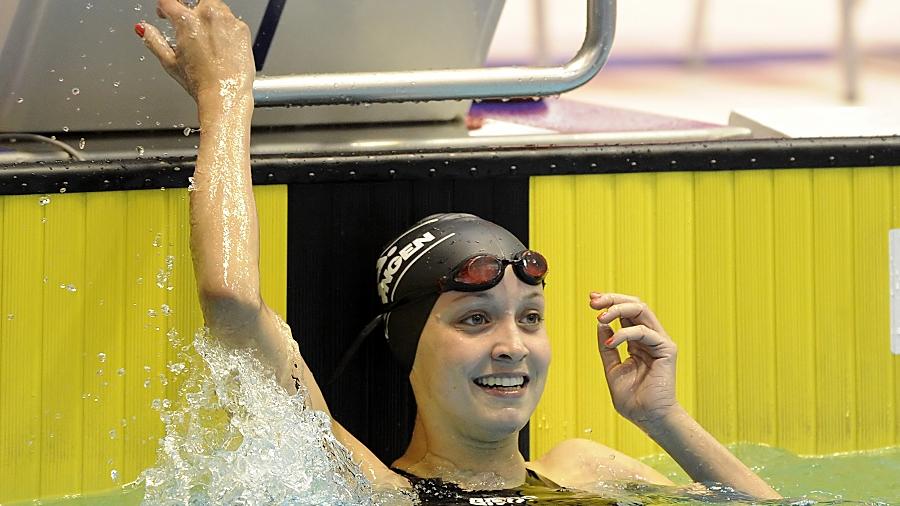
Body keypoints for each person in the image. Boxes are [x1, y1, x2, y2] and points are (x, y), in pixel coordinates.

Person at [136, 0, 781, 502]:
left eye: (530, 316)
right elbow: (232, 302)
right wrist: (226, 96)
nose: (513, 344)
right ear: (410, 346)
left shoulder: (586, 470)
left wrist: (663, 418)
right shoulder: (369, 492)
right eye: (475, 318)